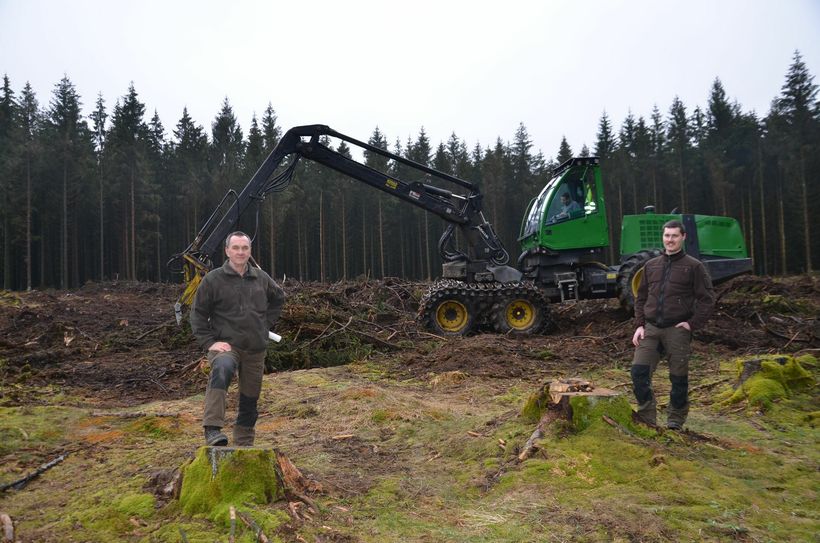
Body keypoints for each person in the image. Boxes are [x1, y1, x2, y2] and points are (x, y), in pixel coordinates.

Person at [190, 231, 285, 446]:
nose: (240, 252)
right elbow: (197, 314)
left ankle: (244, 443)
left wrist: (265, 325)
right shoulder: (213, 279)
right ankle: (212, 430)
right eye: (236, 248)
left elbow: (279, 298)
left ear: (249, 251)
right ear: (227, 251)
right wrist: (209, 342)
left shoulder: (261, 278)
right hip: (226, 346)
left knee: (250, 397)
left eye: (244, 248)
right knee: (222, 370)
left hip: (255, 347)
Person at [630, 220, 714, 430]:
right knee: (638, 372)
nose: (670, 240)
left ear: (683, 237)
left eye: (674, 236)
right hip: (650, 329)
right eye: (667, 236)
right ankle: (647, 418)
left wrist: (692, 324)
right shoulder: (651, 266)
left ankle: (675, 419)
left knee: (678, 378)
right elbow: (640, 298)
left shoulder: (694, 266)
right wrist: (640, 325)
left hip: (677, 330)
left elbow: (707, 299)